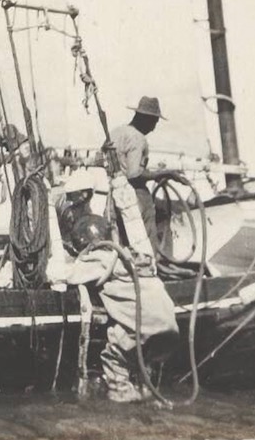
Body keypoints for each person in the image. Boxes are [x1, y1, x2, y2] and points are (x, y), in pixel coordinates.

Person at [52, 170, 179, 403]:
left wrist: (50, 212)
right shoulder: (139, 256)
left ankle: (119, 393)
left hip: (140, 329)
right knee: (143, 361)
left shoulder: (98, 261)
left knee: (116, 357)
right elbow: (134, 222)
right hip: (169, 326)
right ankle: (146, 390)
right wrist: (121, 186)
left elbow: (60, 276)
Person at [107, 95, 164, 258]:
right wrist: (160, 174)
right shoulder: (138, 138)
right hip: (135, 195)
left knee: (122, 242)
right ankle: (151, 270)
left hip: (114, 196)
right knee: (146, 240)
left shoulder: (115, 132)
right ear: (145, 119)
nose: (153, 128)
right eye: (154, 122)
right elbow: (134, 174)